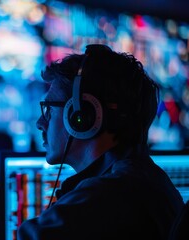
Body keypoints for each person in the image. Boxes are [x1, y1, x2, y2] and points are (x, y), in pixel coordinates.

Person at [17, 44, 184, 240]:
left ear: (80, 116)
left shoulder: (110, 196)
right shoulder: (143, 177)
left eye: (49, 110)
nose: (40, 123)